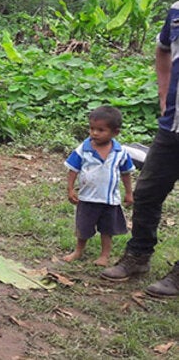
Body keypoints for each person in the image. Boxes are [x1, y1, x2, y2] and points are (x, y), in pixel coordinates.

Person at [101, 0, 179, 297]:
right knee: (146, 192)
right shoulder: (176, 11)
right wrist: (163, 92)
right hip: (172, 126)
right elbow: (162, 49)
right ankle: (139, 256)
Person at [63, 106, 135, 266]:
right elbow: (73, 169)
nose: (94, 133)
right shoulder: (84, 149)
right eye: (92, 128)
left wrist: (129, 193)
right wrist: (70, 188)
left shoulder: (120, 152)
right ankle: (78, 250)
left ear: (115, 132)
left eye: (100, 130)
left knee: (107, 230)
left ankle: (104, 255)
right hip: (87, 198)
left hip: (110, 200)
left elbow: (126, 173)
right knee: (83, 228)